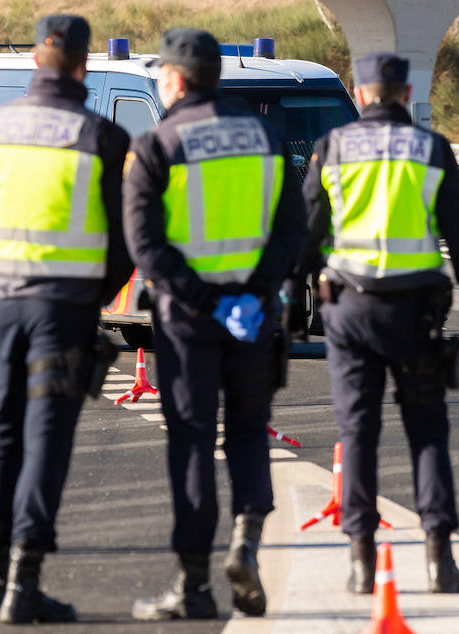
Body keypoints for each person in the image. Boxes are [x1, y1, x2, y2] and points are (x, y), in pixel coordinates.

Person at [0, 14, 133, 624]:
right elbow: (124, 242)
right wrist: (92, 296)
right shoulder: (102, 136)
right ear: (85, 64)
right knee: (46, 439)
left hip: (0, 304)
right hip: (66, 309)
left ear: (34, 58)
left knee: (2, 434)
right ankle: (24, 583)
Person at [289, 51, 459, 595]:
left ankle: (359, 560)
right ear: (405, 94)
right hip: (415, 314)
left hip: (349, 312)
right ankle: (440, 563)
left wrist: (292, 298)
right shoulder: (432, 149)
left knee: (357, 435)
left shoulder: (331, 148)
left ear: (359, 92)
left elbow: (307, 235)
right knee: (428, 434)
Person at [122, 28, 306, 620]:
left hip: (188, 322)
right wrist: (252, 296)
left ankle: (194, 586)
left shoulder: (157, 144)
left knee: (193, 443)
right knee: (250, 431)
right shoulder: (265, 137)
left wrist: (206, 299)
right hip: (254, 318)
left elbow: (145, 243)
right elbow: (290, 231)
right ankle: (247, 542)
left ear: (176, 79)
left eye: (159, 75)